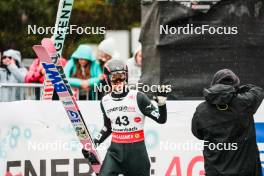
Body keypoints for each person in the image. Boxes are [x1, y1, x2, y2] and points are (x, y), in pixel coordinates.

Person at [82, 59, 167, 176]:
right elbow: (107, 128)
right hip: (115, 154)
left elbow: (161, 119)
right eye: (114, 78)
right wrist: (92, 145)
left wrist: (162, 104)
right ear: (107, 79)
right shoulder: (105, 101)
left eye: (121, 77)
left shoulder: (139, 97)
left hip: (137, 156)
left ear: (126, 77)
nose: (118, 82)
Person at [192, 69, 264, 176]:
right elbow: (257, 90)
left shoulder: (201, 109)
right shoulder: (244, 102)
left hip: (215, 171)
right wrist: (236, 90)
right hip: (245, 171)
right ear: (234, 84)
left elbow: (198, 134)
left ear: (213, 84)